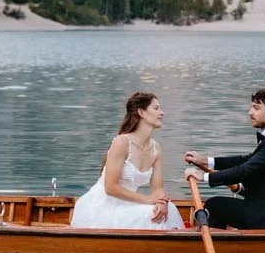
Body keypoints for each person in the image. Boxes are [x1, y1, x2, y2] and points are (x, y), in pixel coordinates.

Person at [184, 87, 265, 230]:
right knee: (216, 204)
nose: (250, 112)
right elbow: (245, 160)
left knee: (214, 205)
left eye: (256, 108)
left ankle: (222, 243)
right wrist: (205, 161)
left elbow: (246, 170)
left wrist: (203, 177)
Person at [69, 91, 185, 230]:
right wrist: (148, 200)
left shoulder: (156, 149)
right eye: (156, 108)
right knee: (150, 214)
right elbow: (110, 188)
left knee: (170, 208)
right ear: (142, 112)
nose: (162, 113)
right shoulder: (122, 143)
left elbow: (158, 189)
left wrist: (162, 202)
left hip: (130, 203)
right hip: (104, 206)